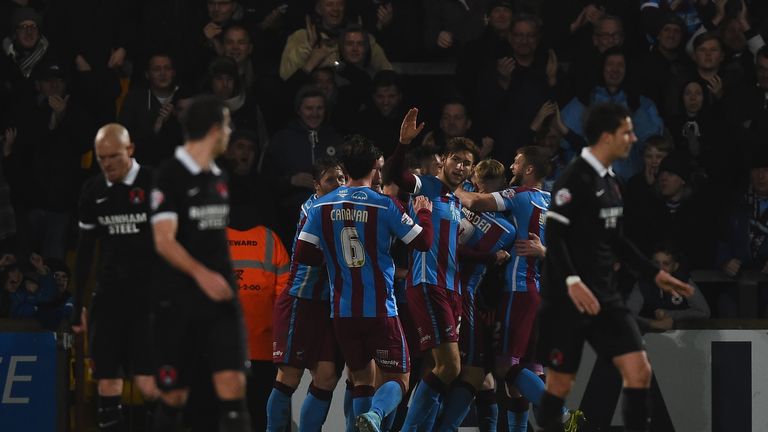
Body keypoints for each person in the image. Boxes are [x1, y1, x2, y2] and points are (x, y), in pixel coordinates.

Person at [535, 103, 693, 432]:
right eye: (627, 132)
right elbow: (555, 235)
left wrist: (654, 273)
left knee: (638, 370)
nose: (634, 138)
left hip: (606, 296)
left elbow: (617, 241)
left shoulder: (611, 182)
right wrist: (573, 281)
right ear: (607, 137)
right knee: (559, 388)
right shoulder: (574, 178)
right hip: (569, 301)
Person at [292, 135, 435, 432]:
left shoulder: (323, 204)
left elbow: (304, 253)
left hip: (343, 312)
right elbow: (423, 242)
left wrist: (333, 259)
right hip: (381, 310)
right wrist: (423, 212)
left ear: (345, 167)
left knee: (361, 380)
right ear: (374, 168)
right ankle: (374, 416)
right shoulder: (385, 204)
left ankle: (360, 423)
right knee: (399, 379)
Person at [150, 95, 251, 432]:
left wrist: (218, 278)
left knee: (234, 392)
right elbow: (164, 240)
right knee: (173, 400)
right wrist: (202, 274)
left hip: (222, 300)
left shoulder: (220, 175)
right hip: (180, 299)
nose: (229, 131)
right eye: (226, 124)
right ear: (212, 129)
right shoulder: (169, 175)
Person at [388, 108, 478, 430]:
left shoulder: (456, 202)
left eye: (467, 163)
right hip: (428, 284)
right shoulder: (425, 185)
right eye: (457, 160)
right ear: (444, 160)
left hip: (451, 290)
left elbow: (453, 247)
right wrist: (402, 144)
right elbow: (395, 176)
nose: (461, 167)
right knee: (451, 367)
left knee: (433, 367)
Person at [71, 124, 159, 431]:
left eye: (113, 157)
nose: (107, 164)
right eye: (101, 158)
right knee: (107, 382)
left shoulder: (153, 183)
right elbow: (84, 252)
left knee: (149, 385)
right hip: (108, 298)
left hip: (148, 298)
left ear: (130, 150)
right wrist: (78, 303)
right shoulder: (93, 191)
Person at [266, 157, 346, 432]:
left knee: (326, 377)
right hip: (300, 301)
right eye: (330, 179)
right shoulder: (315, 211)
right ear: (316, 185)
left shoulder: (337, 208)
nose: (338, 184)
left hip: (323, 305)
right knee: (289, 376)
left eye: (341, 178)